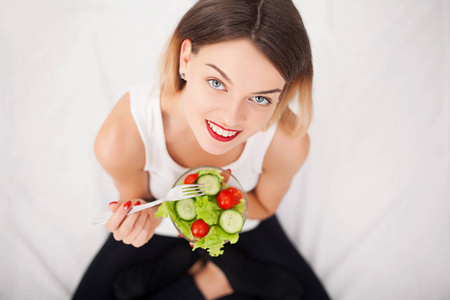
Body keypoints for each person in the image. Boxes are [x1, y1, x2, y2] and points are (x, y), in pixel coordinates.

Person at [73, 0, 330, 299]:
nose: (231, 120)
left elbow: (264, 205)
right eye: (216, 82)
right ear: (185, 59)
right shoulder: (122, 136)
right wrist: (144, 217)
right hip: (163, 224)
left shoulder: (287, 142)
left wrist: (213, 203)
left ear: (282, 92)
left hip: (240, 224)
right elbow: (136, 198)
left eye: (260, 98)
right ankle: (213, 280)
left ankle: (201, 273)